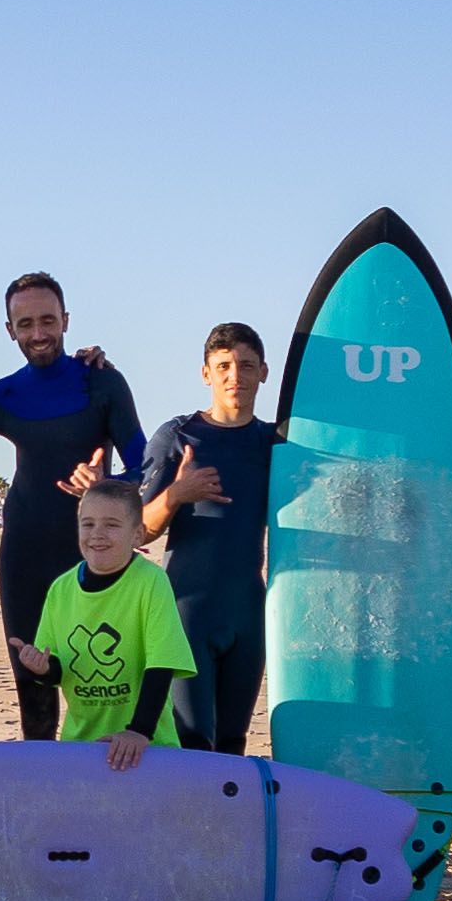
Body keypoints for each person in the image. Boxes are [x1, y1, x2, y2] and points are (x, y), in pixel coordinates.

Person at [0, 272, 144, 740]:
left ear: (66, 320)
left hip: (95, 557)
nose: (38, 334)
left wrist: (106, 484)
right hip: (24, 560)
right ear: (9, 329)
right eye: (25, 323)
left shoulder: (103, 384)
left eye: (48, 320)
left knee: (105, 684)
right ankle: (41, 795)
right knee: (34, 687)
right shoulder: (6, 395)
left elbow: (143, 467)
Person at [139, 322, 276, 753]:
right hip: (186, 611)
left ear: (263, 372)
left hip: (248, 612)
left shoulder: (276, 443)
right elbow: (140, 528)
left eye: (245, 366)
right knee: (193, 742)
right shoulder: (178, 438)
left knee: (234, 744)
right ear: (206, 374)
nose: (235, 376)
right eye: (224, 366)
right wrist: (178, 494)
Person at [9, 478, 194, 769]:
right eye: (88, 524)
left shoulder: (151, 581)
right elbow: (58, 669)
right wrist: (41, 668)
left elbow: (162, 665)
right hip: (82, 744)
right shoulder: (61, 588)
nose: (97, 534)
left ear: (137, 535)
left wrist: (139, 731)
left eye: (111, 525)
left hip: (146, 746)